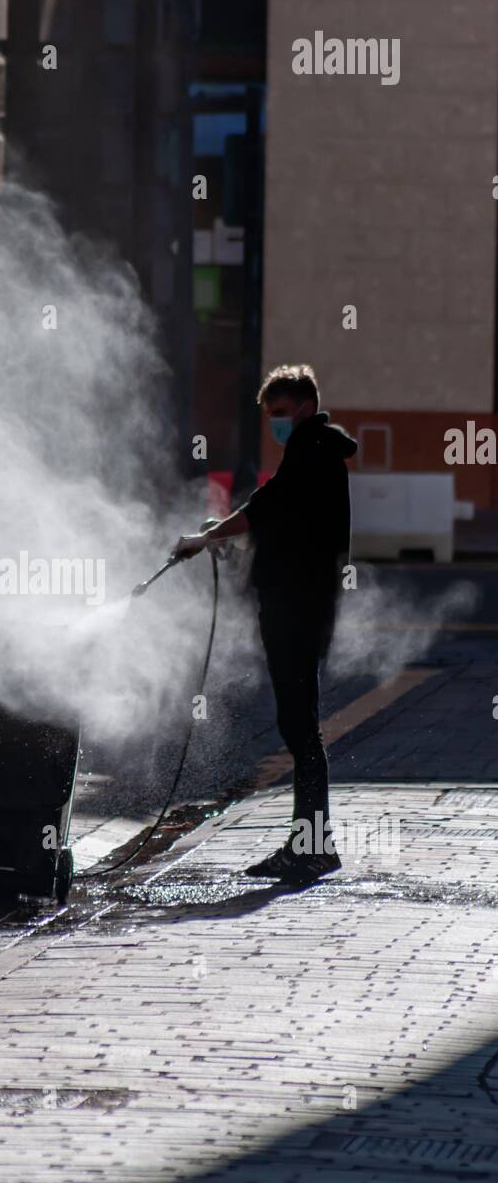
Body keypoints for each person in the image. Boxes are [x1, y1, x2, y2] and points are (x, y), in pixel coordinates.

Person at [174, 364, 357, 886]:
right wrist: (224, 537)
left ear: (302, 406)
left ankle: (312, 847)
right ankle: (312, 844)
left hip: (298, 611)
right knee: (299, 726)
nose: (274, 425)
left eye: (279, 414)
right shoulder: (315, 453)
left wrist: (203, 539)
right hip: (302, 607)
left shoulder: (312, 450)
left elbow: (265, 507)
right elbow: (281, 518)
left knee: (300, 728)